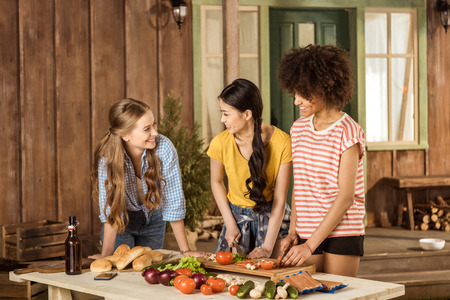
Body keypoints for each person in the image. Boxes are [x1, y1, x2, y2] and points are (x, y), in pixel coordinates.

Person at [277, 44, 366, 277]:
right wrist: (294, 230)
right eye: (294, 93)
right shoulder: (298, 129)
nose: (296, 101)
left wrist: (309, 245)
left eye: (303, 94)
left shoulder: (348, 132)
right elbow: (301, 184)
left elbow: (346, 196)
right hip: (307, 229)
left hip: (344, 230)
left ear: (324, 88)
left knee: (338, 295)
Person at [89, 98, 207, 259]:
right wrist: (106, 256)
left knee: (147, 270)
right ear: (125, 135)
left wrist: (185, 252)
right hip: (122, 224)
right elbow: (111, 210)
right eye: (147, 129)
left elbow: (173, 201)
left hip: (153, 220)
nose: (155, 133)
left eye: (154, 125)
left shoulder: (164, 148)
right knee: (120, 273)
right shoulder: (108, 159)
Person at [207, 78, 292, 259]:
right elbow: (216, 181)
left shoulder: (283, 142)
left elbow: (280, 198)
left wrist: (267, 248)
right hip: (235, 219)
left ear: (247, 114)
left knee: (273, 278)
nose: (222, 119)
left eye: (226, 114)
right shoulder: (220, 143)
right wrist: (230, 223)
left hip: (273, 219)